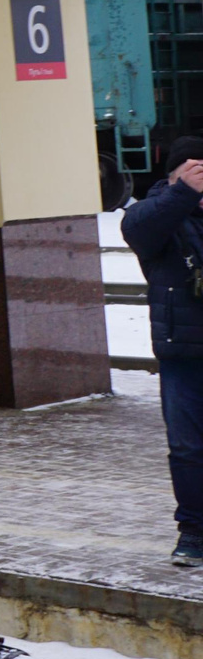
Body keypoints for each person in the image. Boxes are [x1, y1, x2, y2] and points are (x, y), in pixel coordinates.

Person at [118, 135, 203, 566]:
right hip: (183, 355)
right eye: (189, 173)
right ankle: (193, 531)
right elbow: (139, 229)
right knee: (188, 447)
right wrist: (183, 193)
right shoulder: (156, 215)